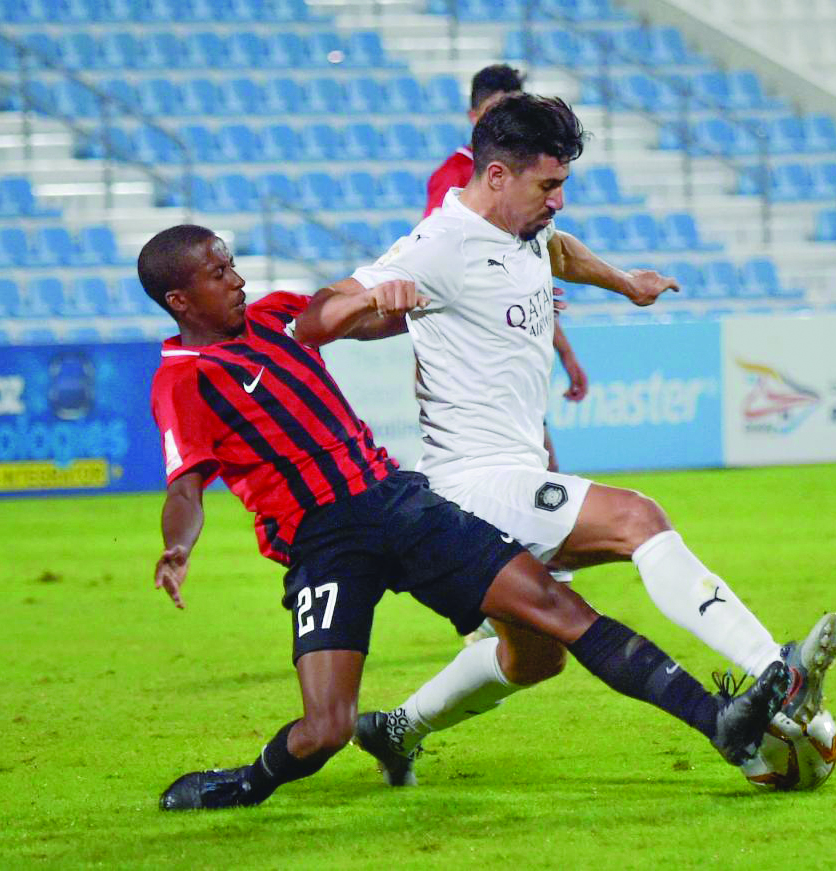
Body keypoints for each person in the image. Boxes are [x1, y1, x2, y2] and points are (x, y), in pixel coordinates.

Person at [142, 223, 791, 810]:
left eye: (232, 265)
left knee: (556, 609)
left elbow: (371, 321)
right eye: (219, 273)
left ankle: (720, 723)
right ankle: (248, 783)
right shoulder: (182, 380)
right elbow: (186, 489)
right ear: (180, 299)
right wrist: (178, 547)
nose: (238, 279)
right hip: (324, 540)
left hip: (398, 500)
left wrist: (413, 304)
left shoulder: (278, 314)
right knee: (327, 728)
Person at [330, 94, 836, 786]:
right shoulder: (438, 244)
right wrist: (366, 303)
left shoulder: (525, 230)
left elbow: (561, 251)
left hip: (507, 473)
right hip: (471, 483)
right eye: (549, 185)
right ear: (497, 176)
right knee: (637, 517)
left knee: (534, 658)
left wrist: (626, 283)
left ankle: (394, 730)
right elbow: (321, 313)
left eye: (564, 183)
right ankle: (775, 670)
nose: (560, 200)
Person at [428, 64, 588, 646]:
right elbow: (447, 261)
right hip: (471, 345)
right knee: (499, 465)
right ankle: (490, 596)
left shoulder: (531, 184)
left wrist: (564, 351)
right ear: (475, 117)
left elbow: (535, 269)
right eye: (497, 110)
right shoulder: (457, 179)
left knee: (536, 454)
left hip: (514, 339)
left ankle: (530, 586)